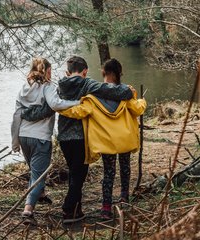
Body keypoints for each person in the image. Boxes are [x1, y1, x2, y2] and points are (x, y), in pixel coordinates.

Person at [21, 56, 133, 224]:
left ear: (67, 72)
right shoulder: (87, 84)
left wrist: (26, 114)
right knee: (78, 176)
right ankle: (69, 209)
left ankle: (76, 210)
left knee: (75, 174)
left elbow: (48, 109)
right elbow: (113, 91)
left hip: (64, 139)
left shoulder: (59, 86)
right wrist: (129, 91)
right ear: (85, 71)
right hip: (81, 137)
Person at [59, 58, 146, 219]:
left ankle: (106, 208)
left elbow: (78, 111)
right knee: (125, 168)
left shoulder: (93, 98)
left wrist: (59, 108)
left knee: (109, 173)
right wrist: (142, 100)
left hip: (107, 142)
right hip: (125, 139)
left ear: (103, 73)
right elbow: (138, 109)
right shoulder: (126, 94)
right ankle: (123, 198)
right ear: (120, 73)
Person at [11, 57, 79, 225]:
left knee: (35, 171)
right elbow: (56, 104)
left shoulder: (23, 89)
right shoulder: (48, 87)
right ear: (47, 71)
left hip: (24, 136)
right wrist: (78, 102)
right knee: (38, 176)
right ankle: (28, 211)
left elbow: (16, 117)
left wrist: (15, 141)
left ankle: (39, 194)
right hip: (40, 138)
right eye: (51, 70)